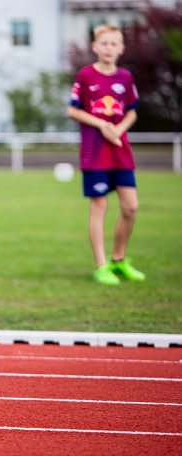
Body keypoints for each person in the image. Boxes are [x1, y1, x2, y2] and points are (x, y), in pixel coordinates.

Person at [68, 23, 145, 286]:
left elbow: (132, 110)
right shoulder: (86, 76)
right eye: (104, 43)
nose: (108, 48)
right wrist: (102, 125)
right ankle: (101, 265)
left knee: (131, 207)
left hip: (120, 151)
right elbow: (73, 110)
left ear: (121, 48)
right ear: (95, 47)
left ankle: (119, 260)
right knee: (100, 206)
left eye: (114, 44)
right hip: (94, 152)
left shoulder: (125, 77)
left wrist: (119, 129)